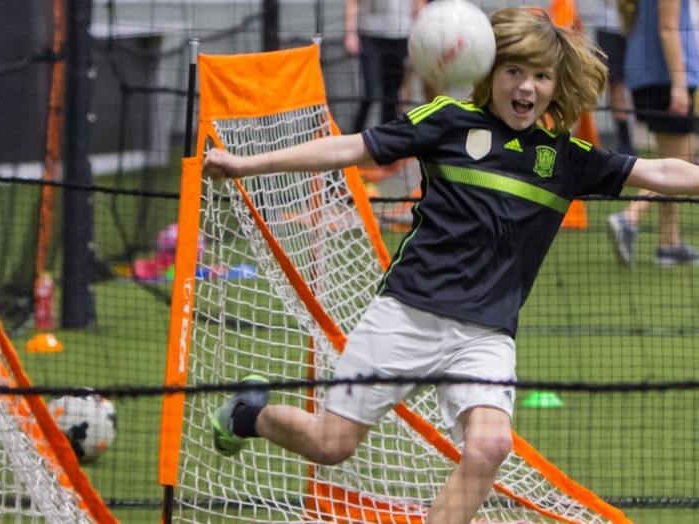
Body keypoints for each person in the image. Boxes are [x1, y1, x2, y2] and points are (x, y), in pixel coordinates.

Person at [204, 7, 699, 523]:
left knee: (488, 447)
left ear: (556, 85)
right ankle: (247, 414)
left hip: (486, 335)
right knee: (331, 445)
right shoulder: (445, 122)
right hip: (408, 314)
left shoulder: (567, 158)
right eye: (514, 71)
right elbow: (352, 147)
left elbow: (661, 168)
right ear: (487, 71)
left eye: (541, 76)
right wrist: (245, 164)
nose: (526, 87)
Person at [607, 0, 699, 266]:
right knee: (681, 165)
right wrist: (680, 86)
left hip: (648, 78)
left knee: (674, 161)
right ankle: (629, 217)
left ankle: (669, 243)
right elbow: (668, 28)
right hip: (667, 80)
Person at [345, 0, 424, 132]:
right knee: (371, 92)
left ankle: (387, 137)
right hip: (370, 34)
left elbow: (418, 5)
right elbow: (352, 2)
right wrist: (350, 33)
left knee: (392, 95)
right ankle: (354, 135)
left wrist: (418, 32)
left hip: (400, 35)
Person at [593, 0, 636, 155]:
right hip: (609, 27)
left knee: (642, 83)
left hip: (637, 27)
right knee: (616, 83)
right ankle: (625, 142)